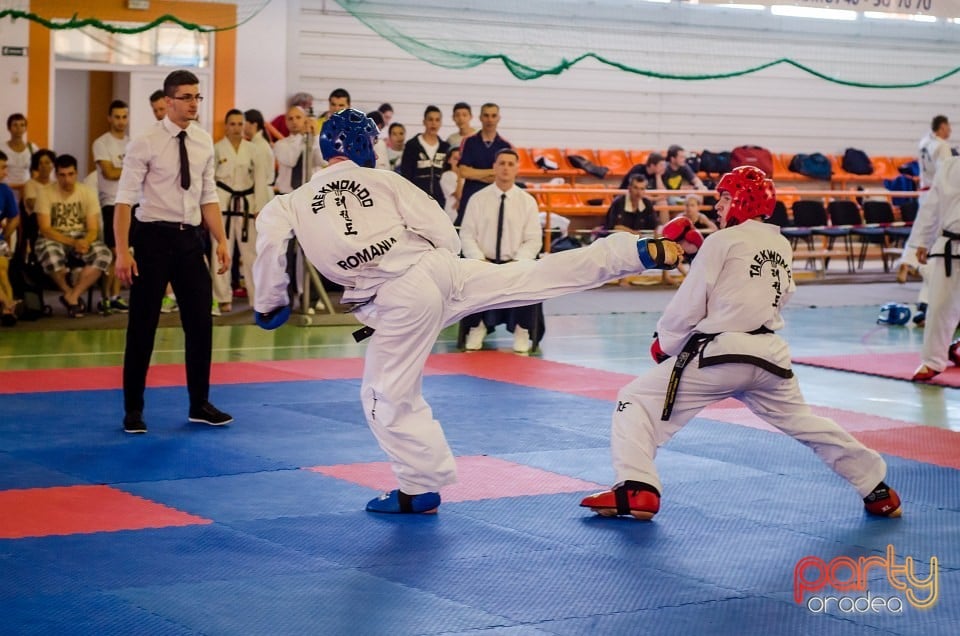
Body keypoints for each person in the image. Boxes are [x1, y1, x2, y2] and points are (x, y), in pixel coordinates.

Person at [252, 108, 684, 514]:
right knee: (531, 276)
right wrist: (437, 268)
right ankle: (632, 250)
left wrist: (270, 301)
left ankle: (419, 486)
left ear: (326, 150)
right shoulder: (386, 181)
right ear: (369, 147)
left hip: (396, 296)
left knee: (383, 395)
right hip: (437, 271)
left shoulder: (287, 202)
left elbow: (270, 247)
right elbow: (443, 230)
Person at [580, 166, 903, 521]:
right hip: (771, 358)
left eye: (725, 197)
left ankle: (636, 488)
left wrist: (665, 342)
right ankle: (877, 488)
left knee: (635, 399)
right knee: (805, 422)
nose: (718, 205)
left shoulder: (722, 241)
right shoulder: (780, 243)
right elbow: (778, 295)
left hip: (722, 356)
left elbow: (688, 304)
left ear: (744, 200)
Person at [113, 69, 232, 434]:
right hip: (151, 239)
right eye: (186, 97)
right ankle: (133, 409)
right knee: (142, 328)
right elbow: (123, 202)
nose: (194, 103)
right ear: (168, 101)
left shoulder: (202, 142)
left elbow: (208, 195)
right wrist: (122, 251)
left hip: (188, 240)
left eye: (197, 97)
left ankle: (199, 403)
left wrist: (222, 240)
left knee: (200, 324)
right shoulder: (145, 142)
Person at [460, 148, 543, 354]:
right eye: (502, 163)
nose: (506, 168)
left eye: (510, 164)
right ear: (494, 167)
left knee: (529, 276)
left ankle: (522, 329)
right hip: (484, 263)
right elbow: (467, 235)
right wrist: (479, 260)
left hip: (515, 263)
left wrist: (519, 261)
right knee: (471, 276)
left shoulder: (527, 202)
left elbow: (533, 239)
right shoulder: (477, 199)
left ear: (517, 169)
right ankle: (477, 326)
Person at [34, 154, 112, 318]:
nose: (67, 179)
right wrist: (72, 242)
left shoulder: (87, 192)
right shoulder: (45, 193)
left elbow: (93, 228)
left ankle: (73, 296)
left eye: (70, 174)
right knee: (50, 254)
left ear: (76, 173)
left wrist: (85, 241)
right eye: (62, 175)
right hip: (55, 236)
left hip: (81, 236)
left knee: (104, 255)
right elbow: (45, 228)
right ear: (56, 174)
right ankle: (68, 292)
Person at [908, 155, 960, 382]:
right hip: (949, 245)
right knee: (939, 305)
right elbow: (932, 206)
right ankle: (933, 360)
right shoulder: (949, 167)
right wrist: (923, 240)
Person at [212, 109, 268, 313]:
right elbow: (210, 181)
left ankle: (256, 298)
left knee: (251, 254)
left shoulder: (254, 150)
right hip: (223, 206)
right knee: (220, 253)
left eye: (239, 123)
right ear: (226, 126)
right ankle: (221, 297)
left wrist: (259, 207)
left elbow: (260, 180)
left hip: (246, 207)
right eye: (232, 124)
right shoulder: (217, 149)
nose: (236, 128)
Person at [92, 99, 131, 313]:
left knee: (124, 252)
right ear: (109, 118)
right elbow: (109, 172)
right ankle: (106, 297)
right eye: (117, 117)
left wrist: (123, 170)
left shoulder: (132, 143)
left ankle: (115, 296)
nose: (121, 121)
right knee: (114, 252)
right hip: (111, 203)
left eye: (124, 117)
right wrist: (130, 170)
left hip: (130, 203)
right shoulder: (101, 143)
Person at [456, 103, 512, 225]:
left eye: (493, 116)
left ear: (498, 118)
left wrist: (475, 173)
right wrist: (492, 172)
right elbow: (464, 172)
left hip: (494, 198)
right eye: (486, 115)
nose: (490, 120)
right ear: (480, 117)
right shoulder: (469, 141)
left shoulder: (505, 146)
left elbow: (504, 177)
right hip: (470, 196)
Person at [399, 105, 450, 207]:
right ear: (424, 122)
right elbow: (405, 174)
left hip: (439, 201)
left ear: (440, 123)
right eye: (430, 119)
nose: (433, 123)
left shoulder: (445, 147)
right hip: (416, 200)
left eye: (437, 120)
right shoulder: (412, 145)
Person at [0, 151, 19, 325]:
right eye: (2, 167)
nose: (5, 172)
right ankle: (8, 303)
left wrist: (5, 235)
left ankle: (7, 310)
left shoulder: (5, 191)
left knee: (2, 268)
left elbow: (15, 217)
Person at [3, 113, 36, 202]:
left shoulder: (32, 148)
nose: (19, 129)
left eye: (22, 125)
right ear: (8, 128)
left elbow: (36, 172)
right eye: (15, 125)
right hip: (5, 191)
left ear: (25, 128)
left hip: (26, 193)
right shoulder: (1, 148)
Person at [439, 146, 462, 223]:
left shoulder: (467, 176)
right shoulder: (447, 176)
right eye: (455, 159)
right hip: (452, 212)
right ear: (449, 160)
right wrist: (460, 175)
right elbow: (458, 195)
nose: (458, 162)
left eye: (460, 159)